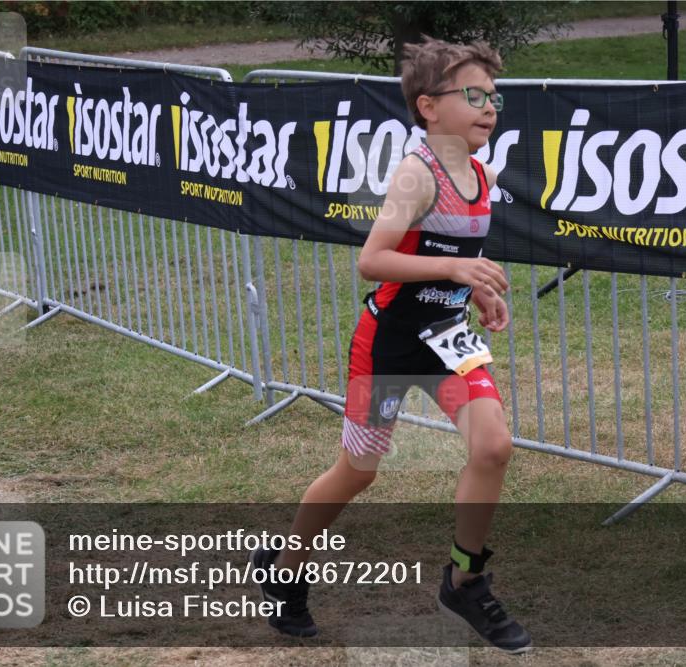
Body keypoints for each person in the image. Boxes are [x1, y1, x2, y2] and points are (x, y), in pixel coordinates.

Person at [249, 37, 531, 654]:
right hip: (387, 347)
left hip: (446, 339)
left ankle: (465, 581)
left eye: (494, 97)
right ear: (428, 107)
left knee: (493, 446)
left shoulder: (481, 174)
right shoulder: (416, 174)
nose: (489, 107)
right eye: (474, 95)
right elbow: (373, 260)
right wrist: (453, 270)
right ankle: (284, 568)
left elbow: (456, 252)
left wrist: (478, 288)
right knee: (358, 471)